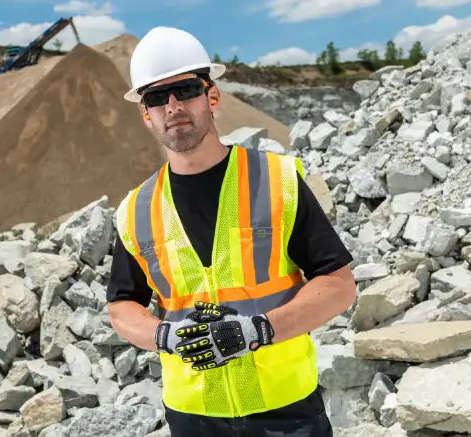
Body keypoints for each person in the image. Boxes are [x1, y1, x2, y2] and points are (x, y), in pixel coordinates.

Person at [105, 26, 358, 436]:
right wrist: (164, 335)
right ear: (145, 113)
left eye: (185, 90)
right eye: (155, 97)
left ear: (212, 96)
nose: (172, 106)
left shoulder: (277, 181)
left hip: (286, 410)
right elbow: (121, 306)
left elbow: (339, 285)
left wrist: (258, 330)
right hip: (193, 415)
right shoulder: (135, 210)